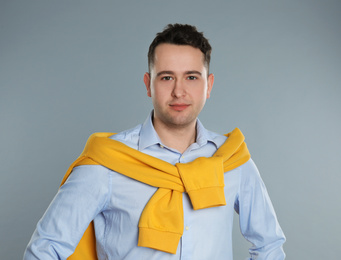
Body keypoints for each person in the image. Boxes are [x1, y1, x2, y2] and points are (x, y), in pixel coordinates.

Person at [24, 24, 286, 260]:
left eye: (192, 77)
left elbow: (269, 246)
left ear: (209, 85)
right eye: (167, 77)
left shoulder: (232, 160)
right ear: (149, 84)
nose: (179, 91)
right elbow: (45, 249)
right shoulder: (107, 162)